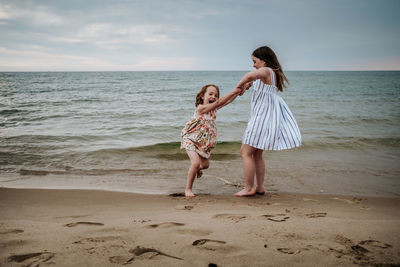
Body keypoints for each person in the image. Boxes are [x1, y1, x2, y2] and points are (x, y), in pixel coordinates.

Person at [234, 46, 301, 197]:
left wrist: (238, 85)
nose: (253, 65)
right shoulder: (269, 74)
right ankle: (260, 187)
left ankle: (249, 188)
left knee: (245, 152)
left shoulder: (266, 71)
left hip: (260, 119)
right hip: (266, 119)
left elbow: (249, 75)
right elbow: (254, 79)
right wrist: (248, 85)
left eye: (255, 61)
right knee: (257, 154)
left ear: (264, 61)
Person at [181, 84, 247, 197]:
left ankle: (196, 169)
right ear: (202, 96)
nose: (214, 97)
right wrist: (233, 91)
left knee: (205, 165)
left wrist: (238, 92)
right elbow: (219, 102)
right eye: (210, 94)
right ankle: (188, 189)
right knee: (196, 163)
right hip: (190, 138)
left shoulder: (214, 109)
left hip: (202, 143)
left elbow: (226, 102)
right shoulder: (201, 108)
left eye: (216, 95)